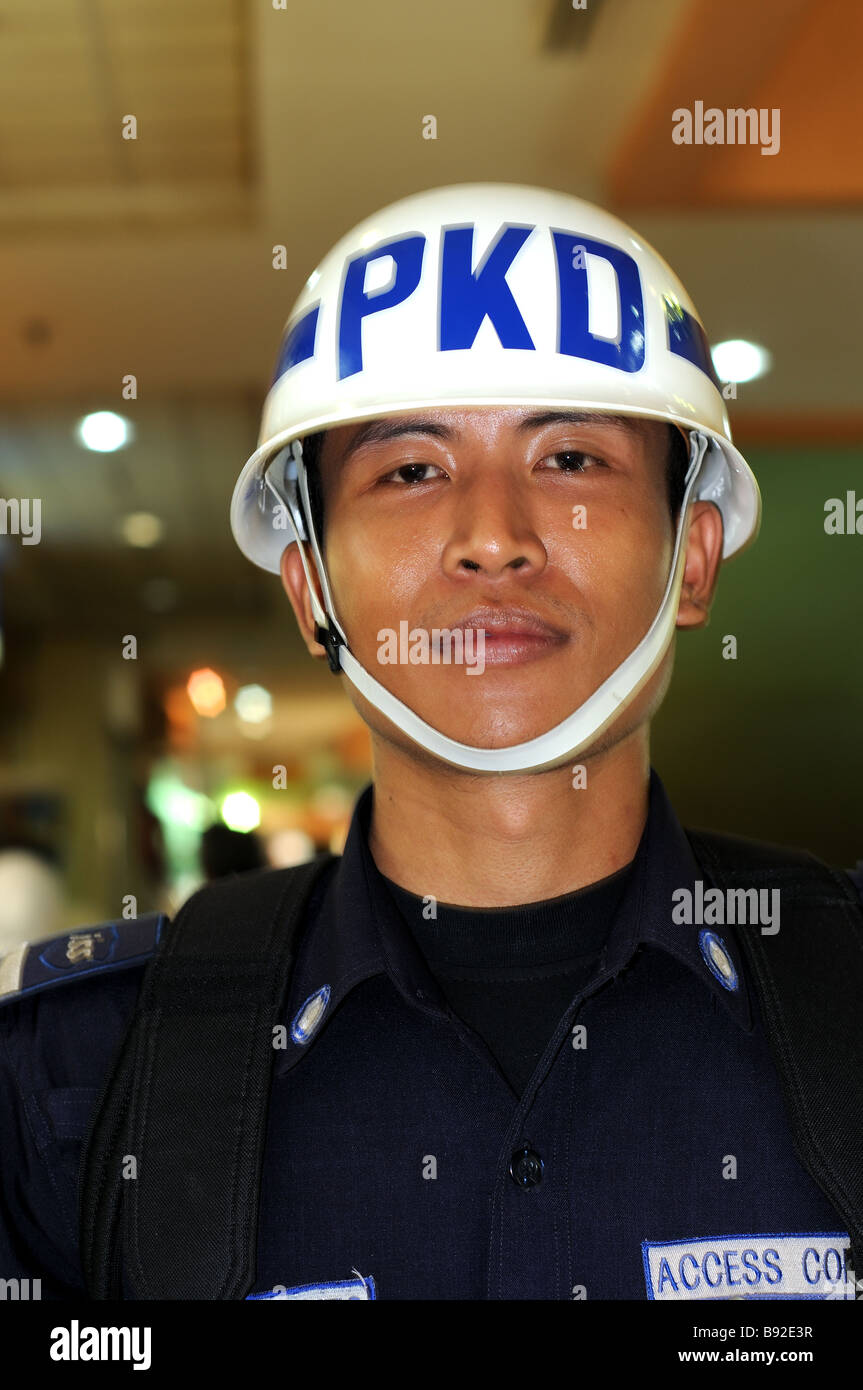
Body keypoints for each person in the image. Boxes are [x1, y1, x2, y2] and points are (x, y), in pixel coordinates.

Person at [2, 184, 861, 1302]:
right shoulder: (76, 1083)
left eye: (571, 459)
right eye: (408, 470)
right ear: (309, 586)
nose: (493, 537)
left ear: (691, 559)